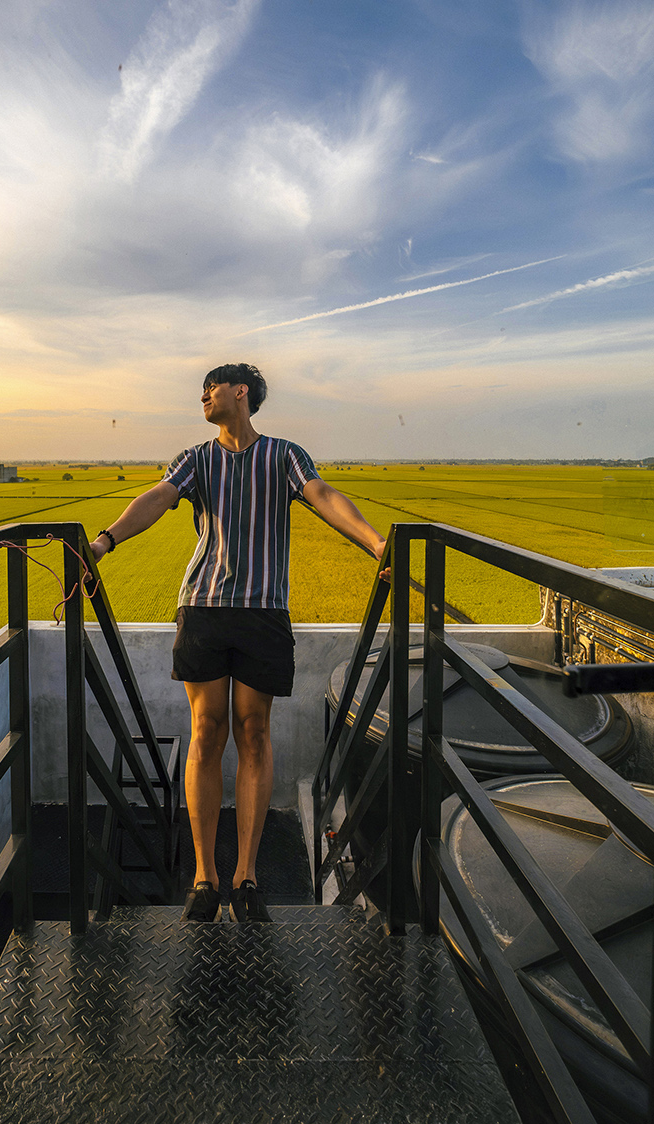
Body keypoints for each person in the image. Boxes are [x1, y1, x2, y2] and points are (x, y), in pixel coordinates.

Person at [89, 363, 388, 923]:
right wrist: (104, 541)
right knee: (207, 731)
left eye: (213, 386)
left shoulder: (284, 455)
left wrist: (375, 543)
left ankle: (247, 876)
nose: (203, 394)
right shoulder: (196, 459)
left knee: (254, 732)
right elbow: (158, 498)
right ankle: (204, 877)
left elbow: (320, 493)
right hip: (202, 608)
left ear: (241, 392)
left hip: (263, 612)